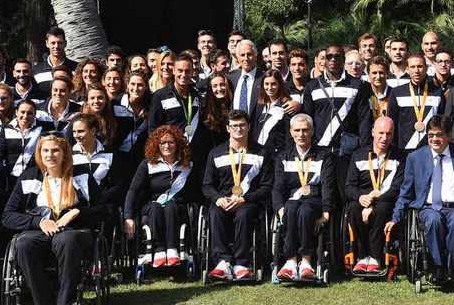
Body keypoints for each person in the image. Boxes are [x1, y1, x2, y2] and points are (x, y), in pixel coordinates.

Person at [2, 134, 103, 305]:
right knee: (23, 244)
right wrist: (38, 221)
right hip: (41, 229)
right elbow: (8, 215)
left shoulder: (81, 175)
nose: (50, 155)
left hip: (74, 230)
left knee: (67, 239)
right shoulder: (30, 176)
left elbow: (104, 210)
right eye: (45, 151)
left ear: (65, 153)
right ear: (39, 154)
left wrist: (76, 212)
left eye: (55, 150)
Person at [388, 115, 454, 284]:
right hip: (429, 208)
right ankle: (438, 267)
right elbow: (405, 192)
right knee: (433, 220)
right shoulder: (415, 157)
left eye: (439, 134)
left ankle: (453, 268)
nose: (435, 139)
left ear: (449, 135)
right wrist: (395, 218)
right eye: (431, 135)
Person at [202, 110, 272, 280]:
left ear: (249, 127)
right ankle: (222, 263)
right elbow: (207, 185)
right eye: (234, 126)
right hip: (223, 200)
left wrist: (245, 199)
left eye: (242, 125)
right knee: (214, 212)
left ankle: (241, 263)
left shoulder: (262, 152)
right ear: (228, 128)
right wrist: (218, 198)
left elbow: (267, 186)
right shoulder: (216, 152)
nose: (238, 129)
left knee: (244, 214)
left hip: (248, 201)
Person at [272, 113, 336, 281]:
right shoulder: (283, 157)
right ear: (291, 132)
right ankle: (290, 262)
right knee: (291, 208)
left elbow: (328, 185)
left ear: (312, 131)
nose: (301, 134)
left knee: (306, 211)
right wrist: (279, 208)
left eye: (305, 130)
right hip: (291, 202)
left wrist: (326, 211)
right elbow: (278, 187)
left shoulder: (324, 156)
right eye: (297, 130)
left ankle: (306, 261)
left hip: (314, 201)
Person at [303, 44, 372, 193]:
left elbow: (364, 119)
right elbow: (307, 119)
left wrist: (365, 148)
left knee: (344, 192)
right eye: (329, 56)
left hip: (346, 150)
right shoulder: (312, 86)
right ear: (324, 61)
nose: (333, 59)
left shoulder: (358, 85)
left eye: (337, 56)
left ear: (343, 60)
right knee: (322, 193)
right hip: (320, 149)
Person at [123, 125, 193, 268]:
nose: (167, 146)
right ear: (157, 145)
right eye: (163, 143)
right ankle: (159, 250)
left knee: (171, 206)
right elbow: (133, 190)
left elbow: (196, 192)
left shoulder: (187, 165)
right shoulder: (148, 165)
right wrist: (128, 216)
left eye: (171, 142)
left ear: (178, 144)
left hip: (177, 208)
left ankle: (173, 250)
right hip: (152, 206)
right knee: (155, 207)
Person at [345, 116, 404, 275]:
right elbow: (349, 187)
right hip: (363, 200)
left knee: (382, 209)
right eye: (381, 133)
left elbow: (397, 188)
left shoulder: (400, 157)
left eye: (389, 134)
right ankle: (363, 256)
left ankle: (376, 257)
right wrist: (360, 197)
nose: (384, 138)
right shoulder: (358, 155)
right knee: (354, 208)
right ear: (372, 132)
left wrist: (373, 203)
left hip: (386, 200)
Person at [387, 52, 445, 155]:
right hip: (403, 150)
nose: (416, 71)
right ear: (407, 69)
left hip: (431, 149)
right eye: (412, 67)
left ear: (426, 68)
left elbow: (442, 122)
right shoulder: (397, 92)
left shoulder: (438, 92)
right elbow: (392, 123)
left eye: (420, 66)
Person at [0, 99, 49, 196]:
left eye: (30, 113)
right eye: (22, 112)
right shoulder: (7, 129)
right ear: (16, 112)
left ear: (35, 114)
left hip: (33, 177)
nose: (25, 116)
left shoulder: (42, 129)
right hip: (11, 178)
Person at [148, 54, 203, 144]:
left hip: (194, 151)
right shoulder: (160, 96)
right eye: (180, 71)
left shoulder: (197, 95)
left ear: (193, 72)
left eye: (187, 71)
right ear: (173, 71)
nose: (183, 75)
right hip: (171, 151)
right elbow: (153, 128)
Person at [251, 69, 291, 158]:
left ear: (279, 85)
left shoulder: (286, 106)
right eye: (266, 84)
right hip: (258, 154)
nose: (269, 87)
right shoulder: (260, 105)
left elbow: (288, 137)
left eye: (273, 84)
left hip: (276, 156)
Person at [32, 29, 78, 96]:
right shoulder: (36, 70)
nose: (56, 46)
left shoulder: (76, 68)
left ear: (65, 43)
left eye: (59, 43)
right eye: (53, 43)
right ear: (47, 44)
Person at [226, 39, 263, 120]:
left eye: (249, 54)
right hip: (235, 128)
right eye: (242, 55)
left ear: (255, 56)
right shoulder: (231, 77)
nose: (246, 58)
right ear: (237, 57)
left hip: (256, 129)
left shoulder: (264, 77)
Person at [202, 74, 231, 148]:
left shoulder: (233, 104)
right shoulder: (205, 109)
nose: (219, 89)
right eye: (215, 86)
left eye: (222, 84)